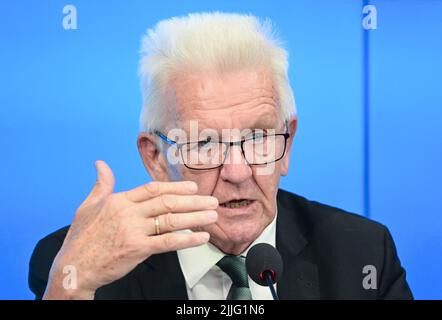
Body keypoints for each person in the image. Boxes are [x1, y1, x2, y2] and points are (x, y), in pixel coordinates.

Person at [29, 12, 413, 300]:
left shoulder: (362, 256)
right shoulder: (84, 267)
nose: (237, 170)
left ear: (287, 145)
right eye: (205, 143)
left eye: (259, 138)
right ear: (156, 159)